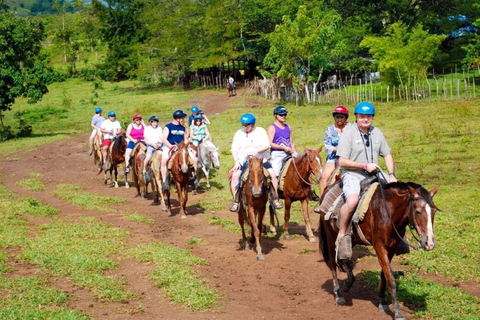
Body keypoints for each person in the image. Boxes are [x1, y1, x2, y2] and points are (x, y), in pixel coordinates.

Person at [335, 101, 397, 262]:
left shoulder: (377, 132)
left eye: (368, 116)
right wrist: (363, 165)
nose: (365, 119)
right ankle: (342, 235)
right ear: (356, 117)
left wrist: (391, 174)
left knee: (396, 194)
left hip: (374, 171)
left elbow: (387, 155)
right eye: (362, 116)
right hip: (353, 173)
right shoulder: (348, 134)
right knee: (352, 200)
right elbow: (341, 162)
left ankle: (397, 235)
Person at [229, 113, 283, 212]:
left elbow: (267, 146)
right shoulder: (238, 133)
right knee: (235, 176)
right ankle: (236, 201)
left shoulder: (261, 131)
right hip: (244, 161)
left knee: (273, 175)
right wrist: (236, 161)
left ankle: (275, 199)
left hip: (260, 161)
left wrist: (258, 151)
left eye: (247, 125)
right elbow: (234, 150)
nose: (245, 127)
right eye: (243, 125)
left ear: (253, 124)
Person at [314, 105, 351, 213]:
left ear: (346, 118)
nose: (339, 119)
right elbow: (327, 145)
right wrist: (338, 150)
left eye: (342, 117)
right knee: (324, 178)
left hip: (349, 157)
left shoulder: (352, 128)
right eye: (337, 117)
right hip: (333, 157)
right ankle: (323, 203)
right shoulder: (330, 129)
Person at [161, 110, 188, 191]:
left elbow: (185, 139)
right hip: (169, 147)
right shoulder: (168, 127)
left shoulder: (183, 128)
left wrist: (187, 146)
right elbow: (164, 140)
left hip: (181, 148)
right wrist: (171, 147)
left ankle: (192, 178)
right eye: (182, 117)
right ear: (178, 118)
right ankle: (164, 181)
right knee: (164, 161)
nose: (183, 119)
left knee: (192, 160)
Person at [267, 105, 297, 176]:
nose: (283, 116)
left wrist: (294, 152)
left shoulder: (288, 127)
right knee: (276, 173)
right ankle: (275, 186)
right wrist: (283, 148)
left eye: (285, 114)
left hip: (289, 153)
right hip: (277, 154)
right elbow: (270, 143)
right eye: (281, 114)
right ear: (275, 115)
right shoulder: (272, 128)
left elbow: (291, 141)